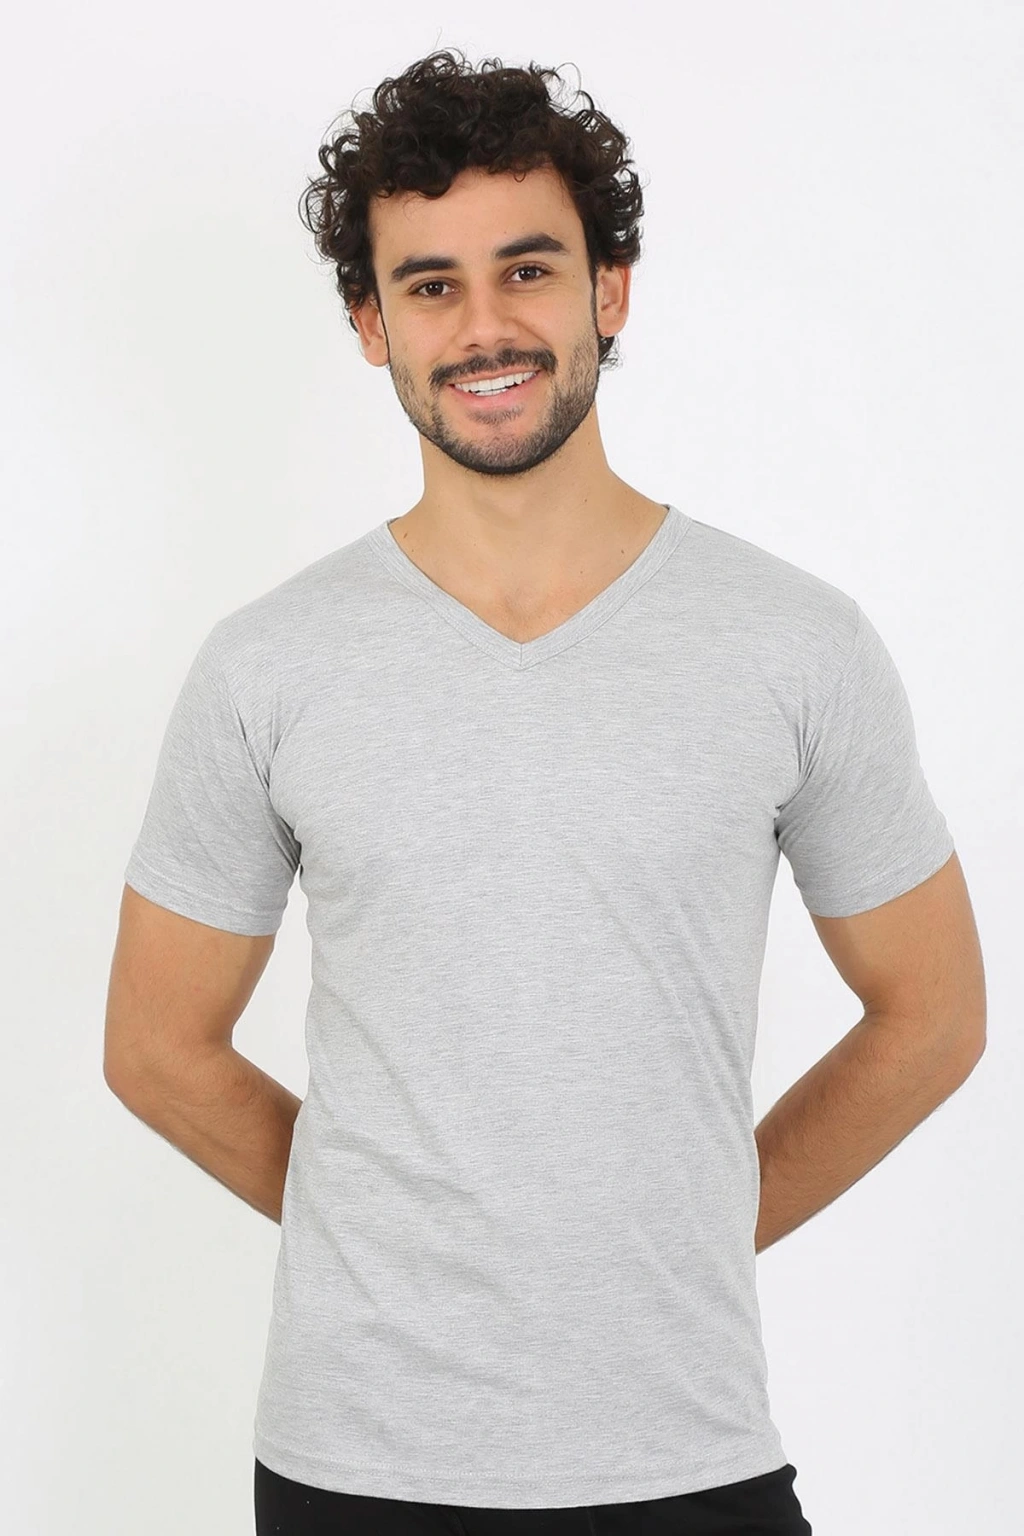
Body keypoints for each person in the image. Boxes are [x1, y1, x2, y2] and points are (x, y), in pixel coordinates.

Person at [104, 47, 986, 1536]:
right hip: (355, 1469)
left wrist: (681, 1239)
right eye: (430, 285)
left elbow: (935, 1016)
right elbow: (155, 1049)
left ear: (608, 291)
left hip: (688, 1454)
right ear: (372, 324)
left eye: (528, 269)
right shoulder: (268, 666)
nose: (485, 326)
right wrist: (389, 1245)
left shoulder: (793, 644)